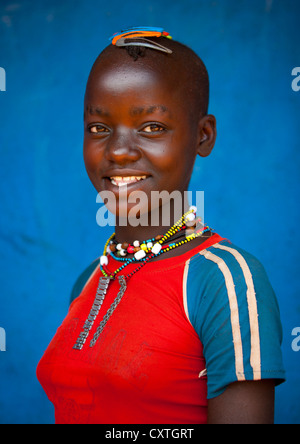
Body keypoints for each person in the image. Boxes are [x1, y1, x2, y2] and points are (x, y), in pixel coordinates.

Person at [37, 28, 285, 424]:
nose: (118, 150)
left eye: (151, 127)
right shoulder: (90, 280)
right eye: (99, 128)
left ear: (203, 135)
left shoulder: (224, 281)